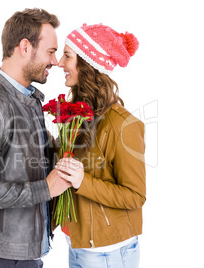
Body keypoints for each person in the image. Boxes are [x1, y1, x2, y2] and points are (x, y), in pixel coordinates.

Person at [0, 8, 71, 268]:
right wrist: (46, 188)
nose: (55, 61)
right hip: (6, 257)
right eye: (51, 51)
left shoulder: (26, 98)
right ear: (25, 47)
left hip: (20, 253)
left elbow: (28, 161)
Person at [54, 23, 146, 268]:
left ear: (87, 64)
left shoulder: (123, 125)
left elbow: (135, 196)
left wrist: (83, 182)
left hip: (108, 253)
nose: (59, 63)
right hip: (78, 243)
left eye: (67, 56)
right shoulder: (76, 116)